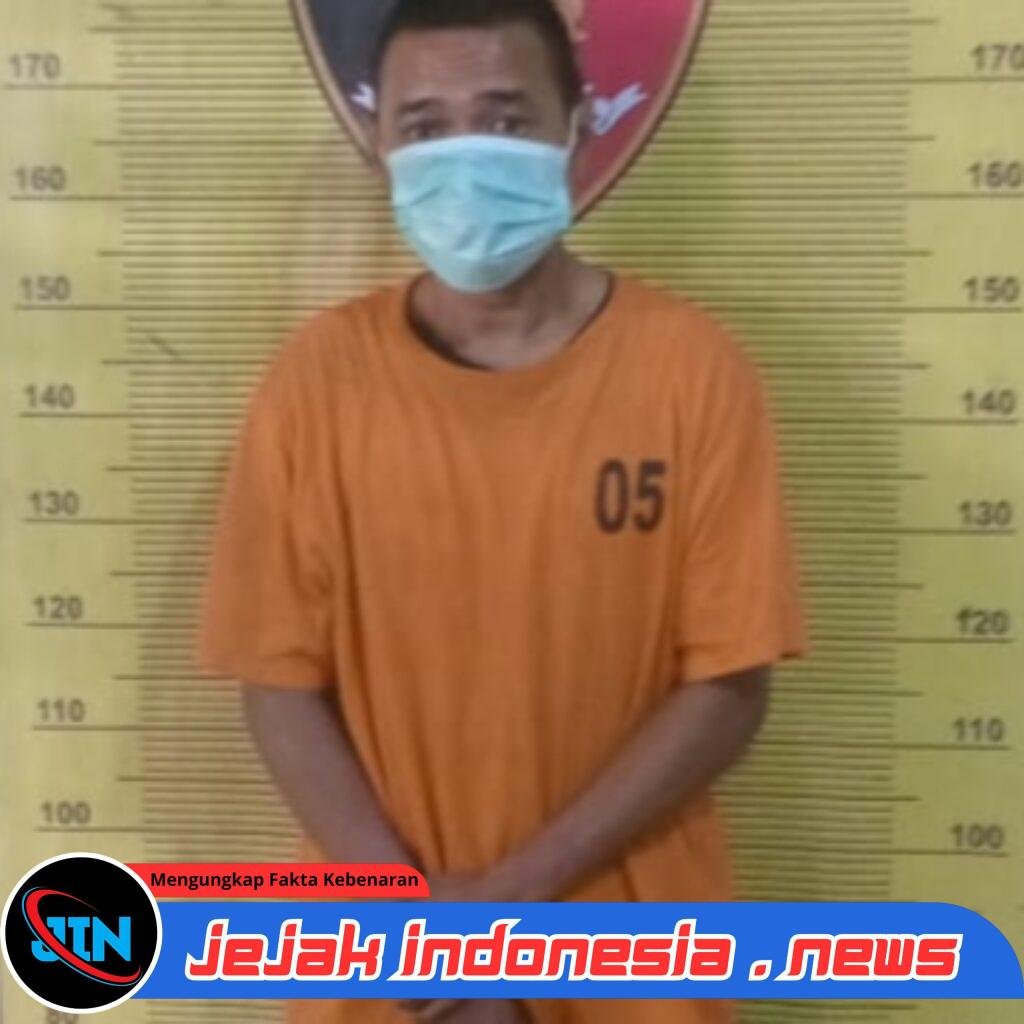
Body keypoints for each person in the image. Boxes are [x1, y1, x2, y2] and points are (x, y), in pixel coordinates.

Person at [195, 1, 810, 1022]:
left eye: (504, 117)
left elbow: (727, 686)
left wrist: (501, 914)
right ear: (379, 144)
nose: (465, 155)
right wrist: (414, 926)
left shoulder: (694, 372)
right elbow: (277, 685)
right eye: (425, 126)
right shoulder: (315, 383)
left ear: (576, 130)